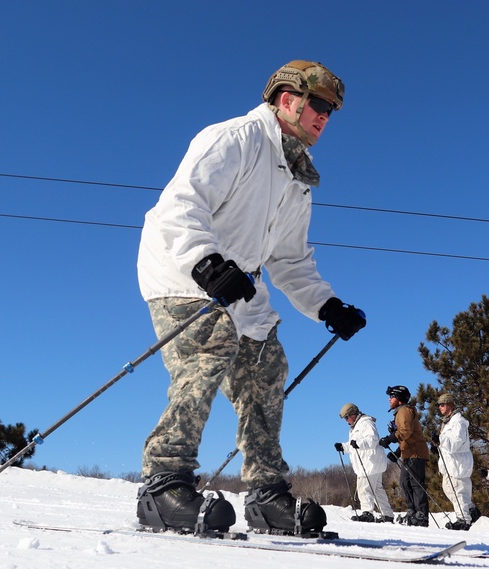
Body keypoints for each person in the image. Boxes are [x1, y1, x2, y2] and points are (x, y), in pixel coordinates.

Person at [134, 60, 366, 536]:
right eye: (318, 104)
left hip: (240, 283)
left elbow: (289, 259)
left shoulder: (297, 179)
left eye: (331, 110)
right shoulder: (234, 139)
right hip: (181, 268)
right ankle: (163, 482)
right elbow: (181, 205)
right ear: (287, 100)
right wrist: (206, 262)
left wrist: (328, 305)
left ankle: (266, 494)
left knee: (267, 365)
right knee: (211, 346)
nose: (325, 116)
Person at [379, 385, 430, 526]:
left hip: (416, 453)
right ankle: (413, 511)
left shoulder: (404, 411)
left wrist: (389, 438)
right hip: (408, 453)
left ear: (400, 399)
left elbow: (406, 431)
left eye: (392, 396)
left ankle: (421, 515)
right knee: (404, 482)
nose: (389, 399)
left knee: (415, 484)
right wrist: (397, 452)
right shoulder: (400, 412)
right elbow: (407, 436)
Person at [335, 403, 394, 523]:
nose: (346, 421)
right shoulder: (356, 426)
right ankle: (387, 515)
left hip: (369, 463)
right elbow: (354, 445)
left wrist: (358, 443)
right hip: (371, 463)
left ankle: (367, 513)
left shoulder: (365, 422)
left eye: (347, 417)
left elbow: (372, 439)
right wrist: (343, 446)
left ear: (353, 414)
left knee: (364, 488)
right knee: (377, 489)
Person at [433, 394, 477, 530]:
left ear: (450, 405)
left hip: (458, 463)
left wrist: (441, 440)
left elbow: (456, 443)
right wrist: (437, 446)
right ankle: (471, 510)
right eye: (439, 405)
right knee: (448, 489)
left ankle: (463, 519)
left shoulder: (458, 422)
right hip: (450, 464)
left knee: (458, 492)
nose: (440, 407)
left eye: (442, 404)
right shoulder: (448, 422)